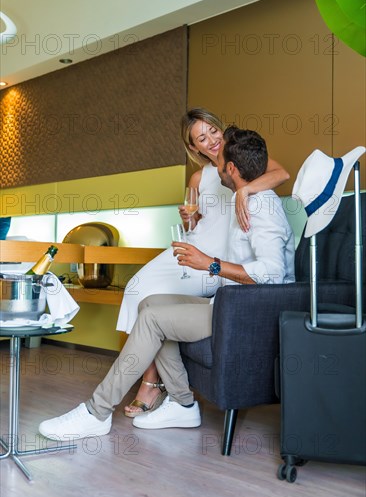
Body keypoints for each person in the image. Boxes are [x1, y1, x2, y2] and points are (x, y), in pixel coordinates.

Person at [38, 127, 295, 440]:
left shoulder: (262, 206)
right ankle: (183, 405)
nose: (215, 158)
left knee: (152, 319)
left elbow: (272, 273)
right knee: (151, 303)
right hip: (230, 303)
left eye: (221, 158)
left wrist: (210, 264)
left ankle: (97, 411)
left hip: (247, 314)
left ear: (231, 169)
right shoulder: (245, 198)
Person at [120, 108, 290, 418]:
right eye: (202, 138)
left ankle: (151, 382)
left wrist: (246, 190)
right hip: (197, 246)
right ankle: (156, 379)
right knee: (135, 289)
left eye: (213, 131)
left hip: (217, 260)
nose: (211, 140)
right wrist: (190, 217)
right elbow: (198, 224)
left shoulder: (242, 168)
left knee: (151, 304)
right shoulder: (199, 176)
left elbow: (282, 174)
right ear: (194, 148)